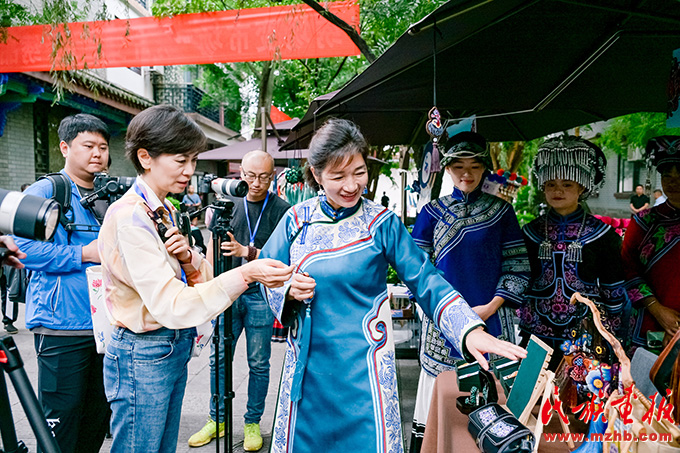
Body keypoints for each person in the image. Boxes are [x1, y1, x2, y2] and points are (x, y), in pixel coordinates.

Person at [260, 119, 526, 453]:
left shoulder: (382, 224)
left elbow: (427, 280)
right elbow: (264, 274)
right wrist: (287, 289)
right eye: (338, 176)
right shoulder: (296, 220)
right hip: (308, 367)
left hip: (364, 372)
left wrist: (469, 329)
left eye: (358, 172)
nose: (351, 185)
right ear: (316, 174)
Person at [98, 105, 293, 452]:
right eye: (180, 160)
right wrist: (247, 272)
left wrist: (187, 256)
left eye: (193, 160)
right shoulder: (130, 218)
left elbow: (202, 276)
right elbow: (173, 303)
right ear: (146, 157)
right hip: (143, 352)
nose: (190, 171)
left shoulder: (163, 208)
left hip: (168, 347)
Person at [408, 132, 530, 452]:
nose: (466, 173)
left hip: (493, 321)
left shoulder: (502, 212)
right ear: (446, 169)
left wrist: (491, 306)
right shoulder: (430, 214)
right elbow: (417, 273)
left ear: (485, 169)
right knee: (442, 404)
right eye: (458, 166)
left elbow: (517, 266)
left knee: (495, 407)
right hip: (441, 327)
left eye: (474, 166)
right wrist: (445, 312)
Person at [12, 113, 112, 452]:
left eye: (103, 146)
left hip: (105, 327)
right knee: (61, 416)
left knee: (97, 413)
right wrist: (82, 254)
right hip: (60, 327)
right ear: (65, 147)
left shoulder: (109, 193)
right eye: (88, 146)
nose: (97, 153)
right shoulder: (48, 190)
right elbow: (20, 249)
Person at [189, 150, 291, 450]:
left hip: (260, 294)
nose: (256, 183)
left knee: (259, 363)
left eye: (263, 176)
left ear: (272, 176)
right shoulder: (227, 203)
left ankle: (252, 423)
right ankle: (217, 419)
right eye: (249, 175)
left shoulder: (282, 210)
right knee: (218, 357)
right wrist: (205, 290)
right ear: (240, 174)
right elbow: (211, 247)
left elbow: (283, 259)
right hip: (225, 291)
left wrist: (247, 252)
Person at [518, 136, 630, 370]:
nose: (558, 190)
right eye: (551, 184)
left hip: (586, 339)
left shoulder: (603, 235)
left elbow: (614, 292)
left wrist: (614, 339)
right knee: (534, 400)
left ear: (582, 187)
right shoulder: (529, 233)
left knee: (584, 400)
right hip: (537, 337)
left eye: (567, 184)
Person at [622, 136, 680, 348]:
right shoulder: (644, 221)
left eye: (679, 173)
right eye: (666, 175)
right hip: (651, 325)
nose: (673, 181)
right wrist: (658, 310)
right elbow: (628, 269)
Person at [2, 183, 30, 334]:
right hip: (6, 252)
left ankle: (8, 320)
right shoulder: (12, 210)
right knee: (7, 289)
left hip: (9, 254)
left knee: (9, 288)